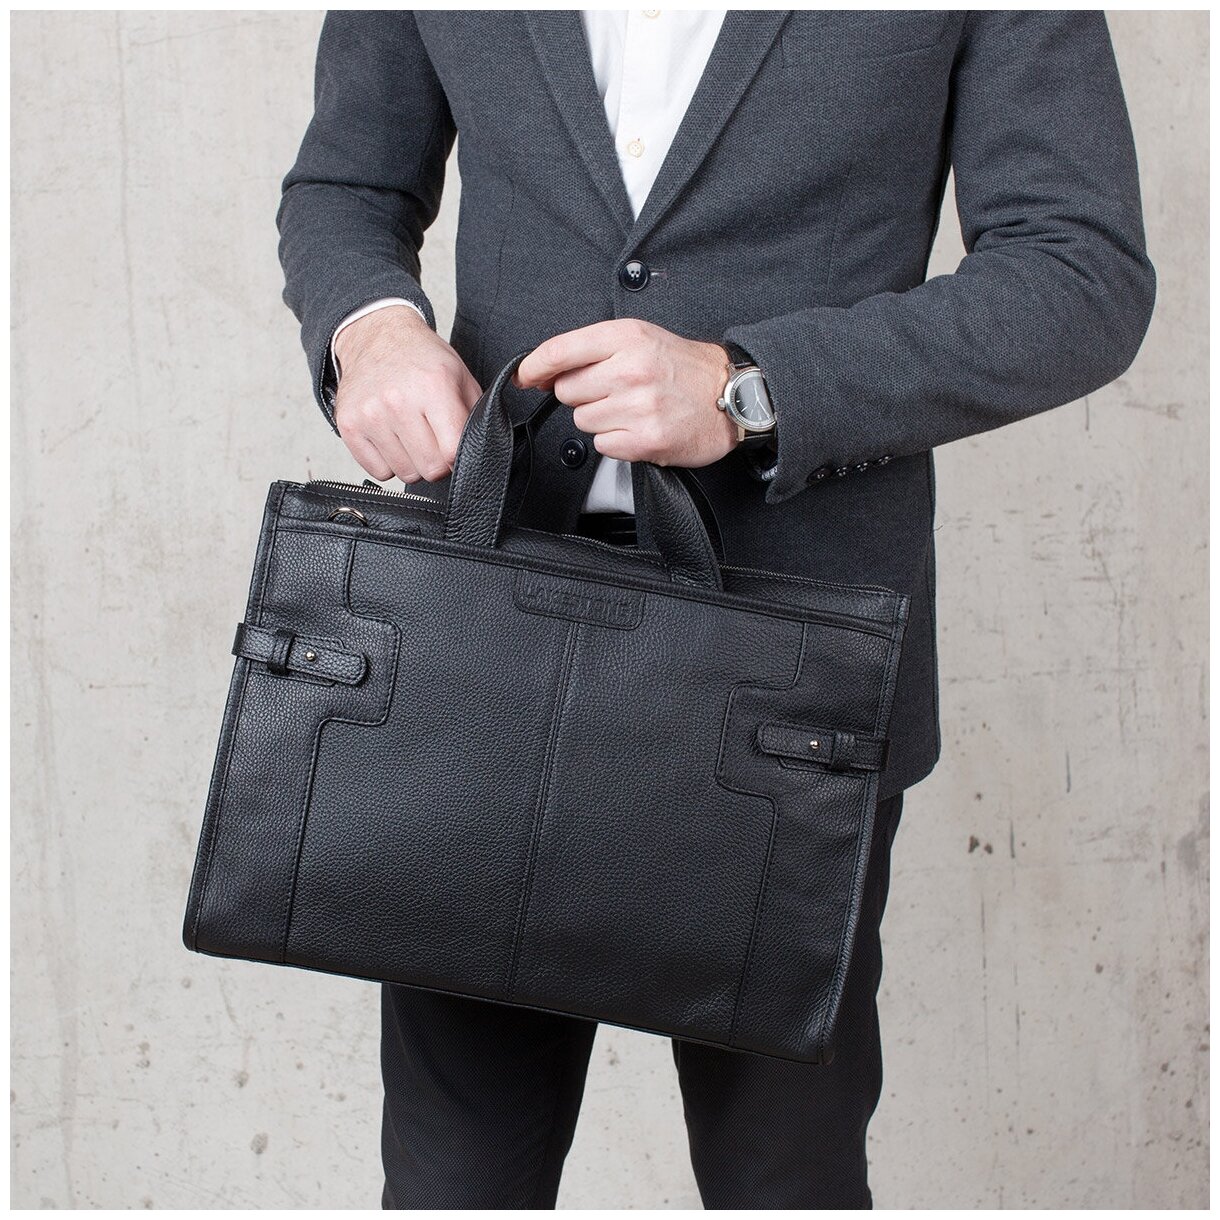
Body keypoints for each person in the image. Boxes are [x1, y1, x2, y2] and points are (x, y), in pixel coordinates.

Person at [276, 10, 1155, 1208]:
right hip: (478, 642)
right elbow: (346, 184)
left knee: (781, 1173)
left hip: (789, 677)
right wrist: (371, 327)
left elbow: (1078, 273)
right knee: (454, 1174)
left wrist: (749, 388)